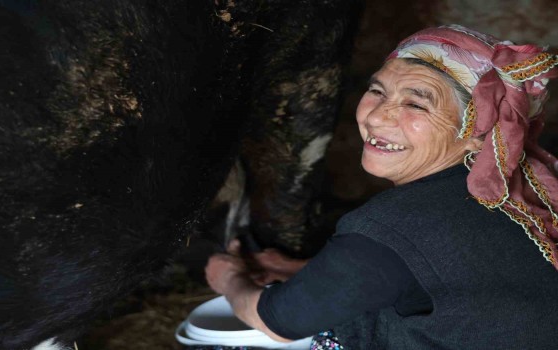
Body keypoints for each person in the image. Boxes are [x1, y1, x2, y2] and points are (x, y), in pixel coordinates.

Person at [205, 24, 558, 349]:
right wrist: (300, 269)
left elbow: (277, 320)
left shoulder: (392, 224)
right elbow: (446, 274)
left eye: (416, 103)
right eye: (377, 90)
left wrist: (230, 278)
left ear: (476, 135)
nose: (376, 117)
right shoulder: (517, 191)